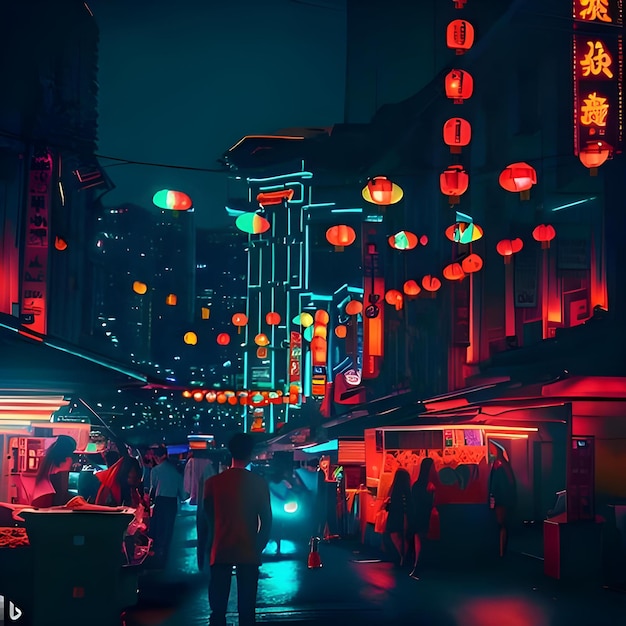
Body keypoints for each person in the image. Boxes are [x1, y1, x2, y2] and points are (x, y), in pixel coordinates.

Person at [203, 433, 272, 626]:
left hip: (220, 549)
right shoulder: (258, 483)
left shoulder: (212, 483)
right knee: (247, 610)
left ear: (230, 453)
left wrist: (207, 549)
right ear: (250, 454)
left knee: (218, 609)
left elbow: (206, 520)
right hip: (248, 549)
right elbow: (266, 521)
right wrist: (257, 546)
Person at [149, 444, 189, 567]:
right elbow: (183, 494)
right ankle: (165, 556)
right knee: (168, 530)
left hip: (160, 502)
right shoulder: (176, 472)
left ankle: (157, 556)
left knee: (158, 529)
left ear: (157, 457)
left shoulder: (155, 470)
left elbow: (152, 489)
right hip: (171, 503)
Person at [31, 435, 77, 507]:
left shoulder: (47, 459)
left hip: (41, 498)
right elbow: (62, 488)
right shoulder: (66, 460)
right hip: (53, 501)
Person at [409, 457, 436, 579]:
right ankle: (417, 569)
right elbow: (429, 503)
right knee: (423, 543)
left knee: (418, 542)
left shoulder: (416, 485)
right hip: (424, 516)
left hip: (416, 516)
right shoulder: (430, 486)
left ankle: (416, 567)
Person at [489, 446, 517, 558]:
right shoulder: (505, 467)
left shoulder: (499, 469)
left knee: (500, 525)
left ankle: (500, 552)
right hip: (506, 501)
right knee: (503, 526)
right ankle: (502, 551)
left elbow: (495, 486)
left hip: (501, 501)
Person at [385, 467, 415, 567]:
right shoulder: (407, 490)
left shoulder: (394, 490)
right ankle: (404, 557)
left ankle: (402, 556)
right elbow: (409, 504)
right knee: (404, 537)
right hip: (405, 516)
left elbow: (390, 505)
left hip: (395, 516)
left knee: (396, 536)